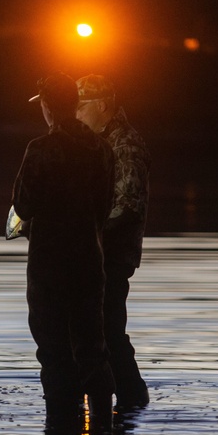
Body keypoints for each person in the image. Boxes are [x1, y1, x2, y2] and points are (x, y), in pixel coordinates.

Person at [11, 72, 116, 429]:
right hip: (90, 262)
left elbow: (23, 205)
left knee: (54, 352)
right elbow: (106, 206)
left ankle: (62, 427)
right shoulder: (102, 150)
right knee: (92, 350)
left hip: (49, 268)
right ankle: (104, 429)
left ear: (46, 106)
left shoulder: (40, 150)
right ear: (72, 103)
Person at [75, 74, 152, 409]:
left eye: (80, 106)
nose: (75, 113)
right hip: (97, 254)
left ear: (102, 105)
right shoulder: (97, 141)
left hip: (112, 258)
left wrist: (86, 230)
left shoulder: (125, 144)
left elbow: (129, 204)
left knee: (109, 335)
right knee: (95, 334)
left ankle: (133, 400)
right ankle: (112, 408)